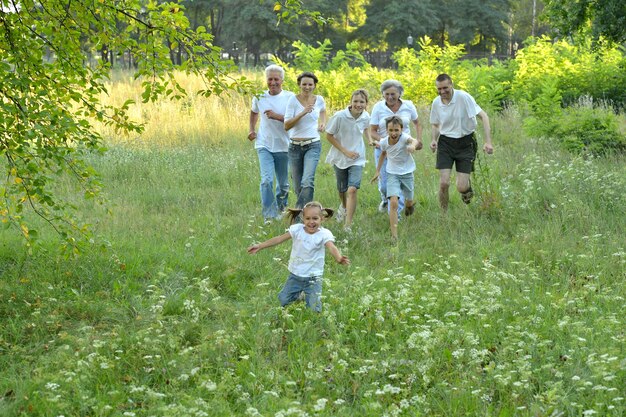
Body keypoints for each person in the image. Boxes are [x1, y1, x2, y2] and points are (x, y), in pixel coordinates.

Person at [247, 201, 350, 312]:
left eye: (315, 218)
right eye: (308, 218)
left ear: (322, 219)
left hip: (314, 277)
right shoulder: (297, 230)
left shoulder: (324, 234)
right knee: (283, 300)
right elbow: (279, 239)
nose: (311, 222)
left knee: (314, 308)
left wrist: (339, 258)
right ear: (303, 218)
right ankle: (299, 296)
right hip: (295, 275)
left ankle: (313, 311)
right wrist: (261, 246)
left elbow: (332, 247)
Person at [429, 73, 493, 210]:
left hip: (466, 142)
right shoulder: (436, 103)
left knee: (461, 187)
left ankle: (467, 191)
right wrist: (434, 139)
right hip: (446, 143)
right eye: (439, 89)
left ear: (452, 85)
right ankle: (444, 215)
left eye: (445, 88)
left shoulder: (463, 97)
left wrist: (488, 142)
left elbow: (484, 116)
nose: (442, 92)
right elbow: (435, 124)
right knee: (444, 183)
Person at [248, 65, 295, 222]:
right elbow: (254, 112)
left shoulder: (290, 98)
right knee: (266, 180)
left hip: (284, 145)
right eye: (270, 79)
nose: (273, 82)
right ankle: (269, 214)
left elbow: (295, 120)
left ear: (282, 80)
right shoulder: (259, 97)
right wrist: (251, 129)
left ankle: (282, 208)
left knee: (283, 184)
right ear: (266, 80)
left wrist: (277, 116)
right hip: (264, 144)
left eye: (276, 79)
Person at [370, 79, 423, 215]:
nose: (390, 97)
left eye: (393, 94)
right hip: (384, 149)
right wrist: (386, 142)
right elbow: (373, 131)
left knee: (399, 182)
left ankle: (396, 215)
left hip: (403, 150)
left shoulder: (408, 105)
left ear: (400, 93)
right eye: (386, 94)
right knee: (384, 185)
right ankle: (385, 199)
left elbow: (417, 123)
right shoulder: (378, 107)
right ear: (382, 94)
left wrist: (418, 140)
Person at [325, 89, 372, 230]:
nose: (358, 104)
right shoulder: (340, 116)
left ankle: (348, 224)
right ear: (350, 102)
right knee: (342, 189)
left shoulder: (366, 116)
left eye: (362, 102)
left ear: (366, 104)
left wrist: (369, 140)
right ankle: (344, 207)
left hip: (357, 158)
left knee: (352, 190)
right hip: (340, 157)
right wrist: (345, 151)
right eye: (356, 101)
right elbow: (329, 135)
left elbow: (366, 128)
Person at [371, 116, 421, 240]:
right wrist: (377, 171)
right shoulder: (384, 142)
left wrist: (413, 147)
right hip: (392, 173)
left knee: (409, 201)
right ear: (387, 130)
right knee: (393, 202)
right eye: (391, 130)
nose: (394, 133)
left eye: (396, 130)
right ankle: (394, 236)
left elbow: (414, 141)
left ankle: (409, 206)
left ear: (401, 129)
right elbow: (383, 154)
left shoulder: (404, 138)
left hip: (407, 173)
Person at [284, 72, 327, 209]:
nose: (307, 87)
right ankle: (306, 211)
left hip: (313, 145)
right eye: (304, 84)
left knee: (307, 181)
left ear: (314, 86)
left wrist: (323, 123)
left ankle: (300, 214)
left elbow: (323, 111)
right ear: (299, 85)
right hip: (295, 147)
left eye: (310, 84)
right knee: (298, 186)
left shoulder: (319, 99)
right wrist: (303, 112)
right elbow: (287, 125)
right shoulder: (292, 100)